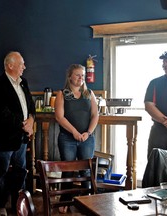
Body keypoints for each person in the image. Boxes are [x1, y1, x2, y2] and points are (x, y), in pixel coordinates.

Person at [0, 51, 35, 216]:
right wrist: (23, 125)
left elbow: (31, 105)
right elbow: (2, 113)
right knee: (0, 173)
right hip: (4, 138)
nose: (24, 66)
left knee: (20, 171)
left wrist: (31, 120)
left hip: (21, 139)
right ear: (10, 65)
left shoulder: (24, 82)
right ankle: (0, 206)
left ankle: (18, 203)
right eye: (21, 63)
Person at [54, 64, 99, 214]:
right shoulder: (62, 93)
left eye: (83, 75)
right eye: (77, 75)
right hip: (67, 138)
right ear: (69, 77)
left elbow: (95, 115)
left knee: (86, 171)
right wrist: (74, 132)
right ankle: (64, 201)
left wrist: (88, 132)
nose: (81, 78)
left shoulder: (89, 93)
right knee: (68, 171)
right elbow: (59, 117)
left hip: (87, 138)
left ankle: (86, 202)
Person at [144, 51, 167, 159]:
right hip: (159, 133)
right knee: (156, 170)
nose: (164, 64)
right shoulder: (155, 83)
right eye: (164, 62)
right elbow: (149, 105)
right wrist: (166, 122)